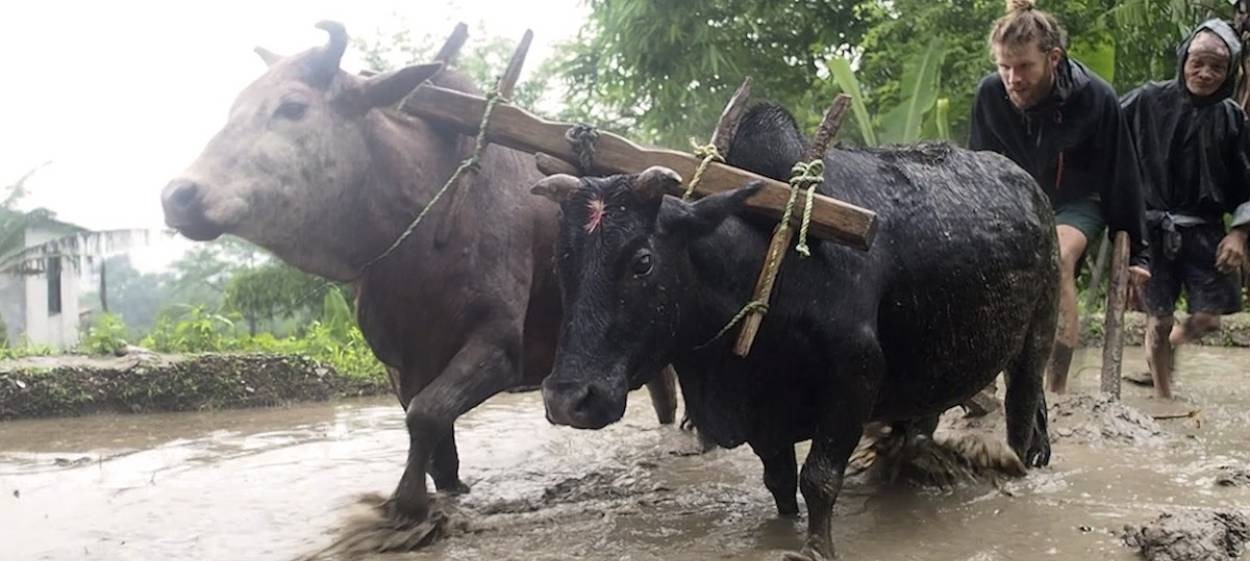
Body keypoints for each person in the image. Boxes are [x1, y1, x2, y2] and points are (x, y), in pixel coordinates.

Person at [969, 0, 1151, 394]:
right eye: (1004, 67)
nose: (1013, 79)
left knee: (1057, 257)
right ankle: (982, 379)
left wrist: (1139, 253)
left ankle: (1055, 389)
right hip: (1016, 200)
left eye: (1024, 67)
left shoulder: (1095, 97)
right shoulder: (989, 95)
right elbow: (977, 170)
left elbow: (1122, 175)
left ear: (1053, 58)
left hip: (1077, 201)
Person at [1120, 19, 1250, 399]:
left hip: (1206, 230)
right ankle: (1164, 398)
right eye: (1198, 63)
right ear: (1183, 61)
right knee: (1158, 320)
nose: (1205, 73)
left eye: (1216, 67)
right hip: (1152, 230)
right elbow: (1104, 131)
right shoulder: (1146, 99)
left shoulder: (1233, 119)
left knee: (1209, 319)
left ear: (1228, 73)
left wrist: (1240, 233)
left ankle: (1169, 349)